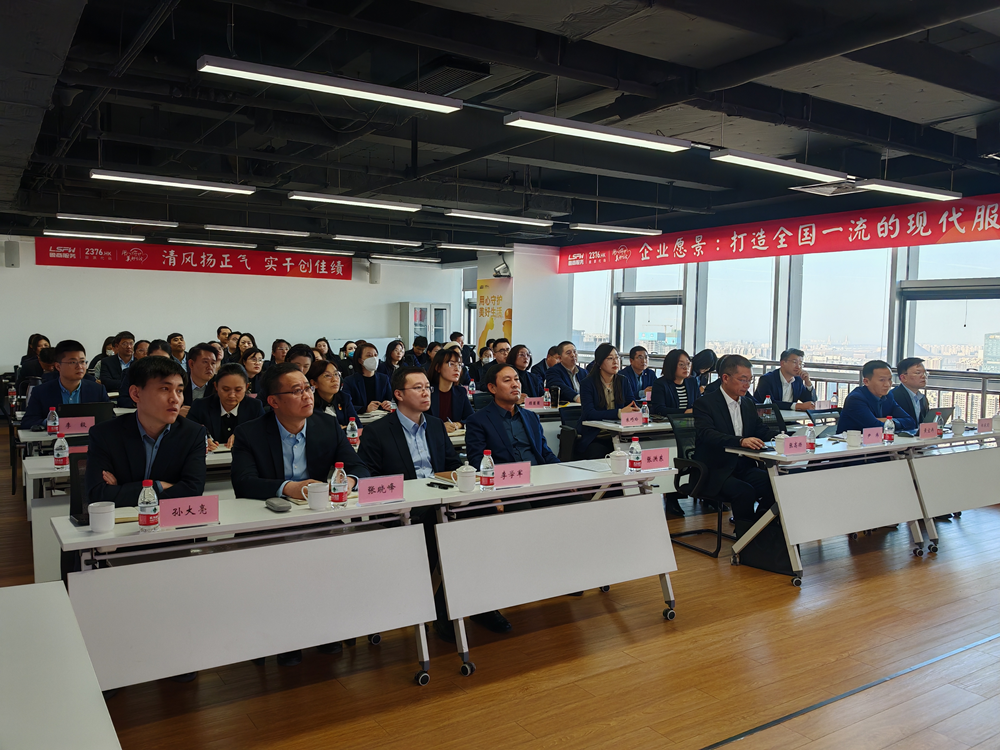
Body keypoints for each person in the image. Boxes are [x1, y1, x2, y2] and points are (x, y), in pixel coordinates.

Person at [356, 366, 464, 643]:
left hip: (440, 503)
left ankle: (451, 609)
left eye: (427, 387)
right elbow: (369, 478)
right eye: (418, 388)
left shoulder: (436, 425)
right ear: (399, 395)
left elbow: (453, 465)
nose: (426, 392)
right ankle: (424, 610)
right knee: (437, 537)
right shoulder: (378, 431)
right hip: (403, 511)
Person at [231, 362, 370, 501]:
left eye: (308, 388)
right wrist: (288, 488)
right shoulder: (249, 434)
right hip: (270, 508)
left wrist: (348, 482)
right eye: (297, 391)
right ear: (274, 402)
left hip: (317, 507)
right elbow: (243, 483)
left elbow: (359, 467)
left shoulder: (328, 425)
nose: (307, 396)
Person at [85, 355, 206, 505]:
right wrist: (158, 486)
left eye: (179, 391)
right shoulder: (105, 434)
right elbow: (98, 494)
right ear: (136, 394)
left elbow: (193, 491)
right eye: (165, 389)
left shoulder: (193, 434)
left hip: (168, 519)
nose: (175, 399)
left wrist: (121, 490)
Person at [693, 354, 779, 523]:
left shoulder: (747, 403)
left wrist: (784, 438)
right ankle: (745, 535)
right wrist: (740, 441)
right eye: (742, 380)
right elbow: (707, 434)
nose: (747, 385)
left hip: (744, 467)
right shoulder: (705, 403)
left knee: (776, 484)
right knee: (744, 491)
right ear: (725, 378)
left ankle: (760, 528)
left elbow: (761, 430)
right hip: (716, 470)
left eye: (750, 380)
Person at [465, 363, 560, 471]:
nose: (515, 384)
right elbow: (478, 462)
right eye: (507, 380)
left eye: (517, 379)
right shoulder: (478, 420)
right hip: (505, 478)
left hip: (538, 474)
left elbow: (545, 452)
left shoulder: (531, 416)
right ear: (492, 388)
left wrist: (561, 469)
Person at [21, 340, 111, 428]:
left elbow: (110, 419)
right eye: (73, 362)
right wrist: (51, 422)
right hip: (55, 437)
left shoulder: (98, 390)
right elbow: (28, 421)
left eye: (82, 361)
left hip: (88, 437)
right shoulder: (41, 391)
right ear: (58, 366)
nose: (79, 366)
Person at [575, 342, 639, 458]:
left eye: (617, 358)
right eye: (610, 358)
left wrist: (635, 410)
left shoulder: (623, 381)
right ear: (599, 362)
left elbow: (631, 405)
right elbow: (589, 413)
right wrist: (619, 413)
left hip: (621, 436)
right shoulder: (588, 383)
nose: (615, 362)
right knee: (598, 452)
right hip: (597, 437)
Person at [188, 363, 265, 450]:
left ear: (246, 387)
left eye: (238, 390)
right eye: (226, 389)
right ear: (216, 386)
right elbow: (188, 432)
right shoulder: (200, 406)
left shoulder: (254, 407)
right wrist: (201, 440)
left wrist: (246, 436)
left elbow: (263, 433)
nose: (232, 395)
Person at [837, 360, 916, 432]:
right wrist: (889, 422)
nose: (887, 384)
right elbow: (875, 427)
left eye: (889, 379)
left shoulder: (888, 396)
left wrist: (888, 421)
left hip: (878, 441)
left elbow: (910, 422)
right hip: (851, 441)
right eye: (882, 380)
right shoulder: (855, 399)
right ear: (866, 382)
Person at [427, 346, 473, 431]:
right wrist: (440, 426)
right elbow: (418, 419)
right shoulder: (427, 391)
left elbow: (471, 417)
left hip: (454, 437)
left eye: (459, 365)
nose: (457, 369)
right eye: (451, 364)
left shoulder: (460, 391)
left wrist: (459, 424)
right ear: (438, 368)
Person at [118, 340, 171, 408]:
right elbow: (122, 400)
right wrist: (144, 403)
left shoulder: (175, 375)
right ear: (148, 357)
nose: (159, 363)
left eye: (164, 359)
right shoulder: (133, 372)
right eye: (155, 359)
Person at [344, 341, 393, 413]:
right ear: (360, 360)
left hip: (381, 416)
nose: (374, 358)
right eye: (369, 355)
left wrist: (388, 404)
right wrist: (365, 409)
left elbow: (389, 399)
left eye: (375, 355)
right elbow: (346, 404)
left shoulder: (384, 378)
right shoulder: (349, 381)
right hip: (360, 417)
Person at [307, 359, 358, 426]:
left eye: (336, 374)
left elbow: (357, 425)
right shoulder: (309, 403)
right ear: (314, 383)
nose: (335, 379)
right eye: (327, 376)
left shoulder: (344, 398)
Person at [651, 349, 700, 417]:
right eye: (681, 364)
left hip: (690, 421)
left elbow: (699, 404)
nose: (686, 368)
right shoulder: (660, 384)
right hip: (668, 422)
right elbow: (659, 409)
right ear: (671, 365)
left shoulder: (692, 381)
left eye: (688, 364)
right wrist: (685, 412)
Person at [181, 343, 218, 415]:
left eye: (213, 363)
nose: (210, 367)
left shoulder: (219, 384)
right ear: (191, 364)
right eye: (205, 362)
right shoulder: (179, 382)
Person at [891, 357, 929, 426]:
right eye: (918, 373)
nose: (924, 376)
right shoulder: (893, 396)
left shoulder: (922, 398)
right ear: (903, 378)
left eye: (925, 373)